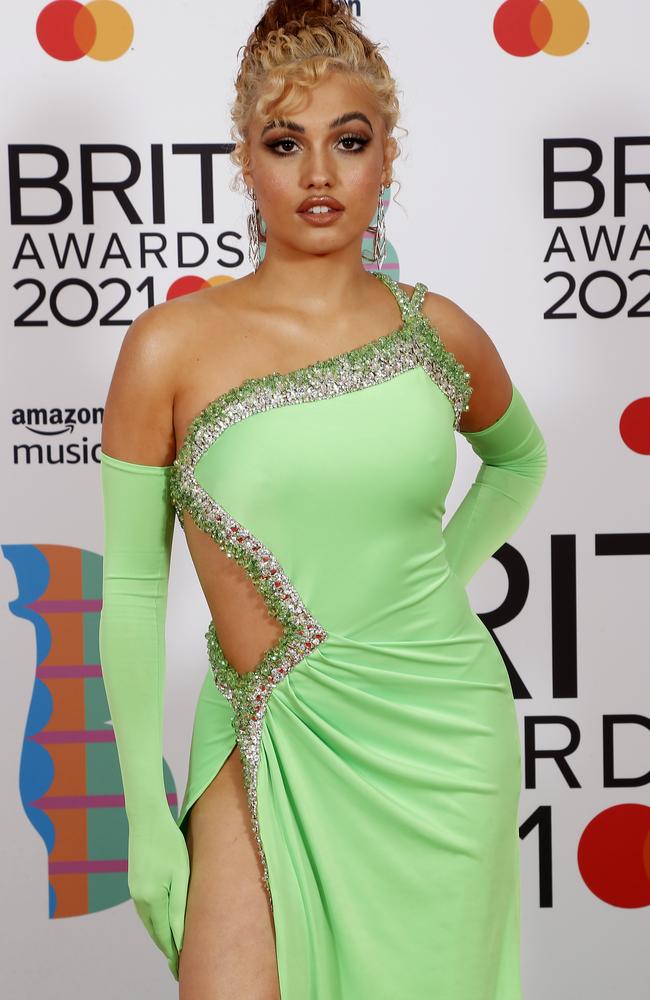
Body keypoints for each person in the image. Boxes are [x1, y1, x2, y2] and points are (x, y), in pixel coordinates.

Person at [98, 1, 548, 997]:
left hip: (437, 733)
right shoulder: (168, 346)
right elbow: (132, 582)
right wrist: (141, 808)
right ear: (243, 162)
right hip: (260, 728)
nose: (316, 174)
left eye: (348, 142)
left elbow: (518, 461)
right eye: (283, 143)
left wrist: (428, 584)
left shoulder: (437, 332)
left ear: (386, 158)